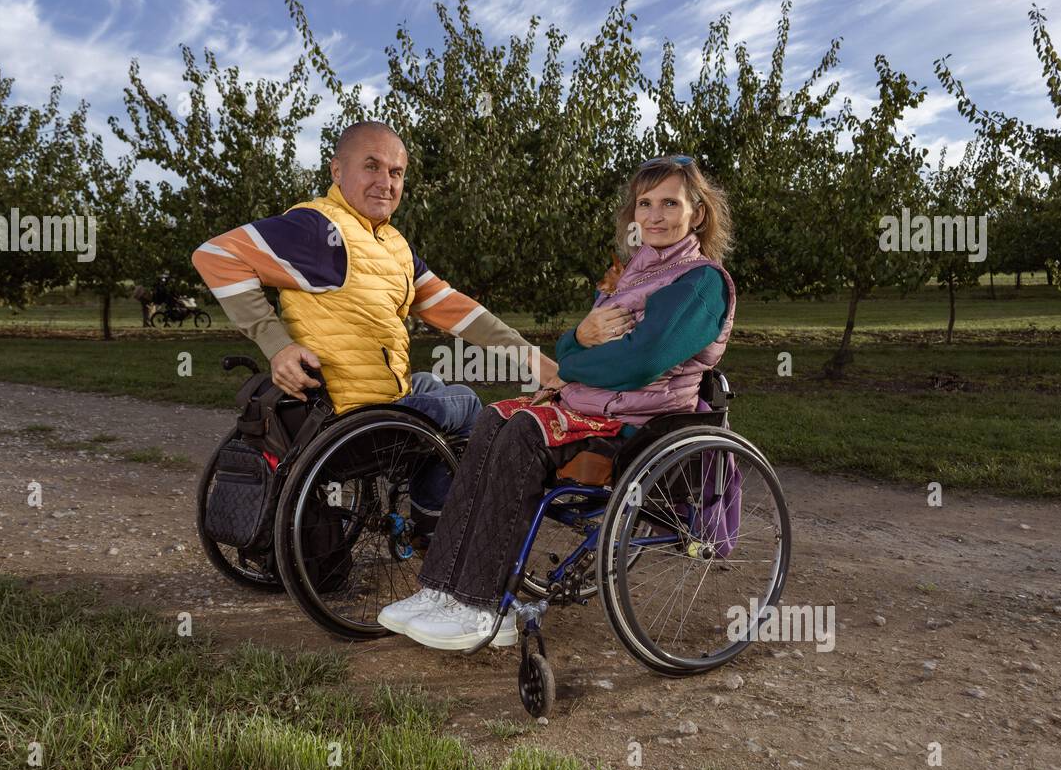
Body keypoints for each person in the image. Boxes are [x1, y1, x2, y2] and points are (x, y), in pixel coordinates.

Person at [378, 155, 737, 649]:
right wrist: (577, 341)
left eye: (669, 204)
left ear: (696, 214)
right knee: (492, 418)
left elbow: (639, 363)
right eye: (645, 204)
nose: (654, 216)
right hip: (592, 410)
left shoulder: (700, 283)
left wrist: (572, 361)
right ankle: (443, 587)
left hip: (640, 428)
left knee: (524, 435)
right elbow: (572, 345)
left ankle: (485, 605)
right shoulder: (631, 275)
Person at [191, 121, 557, 537]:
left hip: (368, 405)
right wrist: (276, 345)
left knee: (430, 385)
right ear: (336, 171)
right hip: (349, 421)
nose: (386, 183)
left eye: (396, 172)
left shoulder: (392, 246)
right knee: (469, 404)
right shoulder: (320, 230)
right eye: (371, 166)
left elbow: (458, 310)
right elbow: (214, 255)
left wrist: (537, 362)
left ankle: (428, 515)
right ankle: (435, 528)